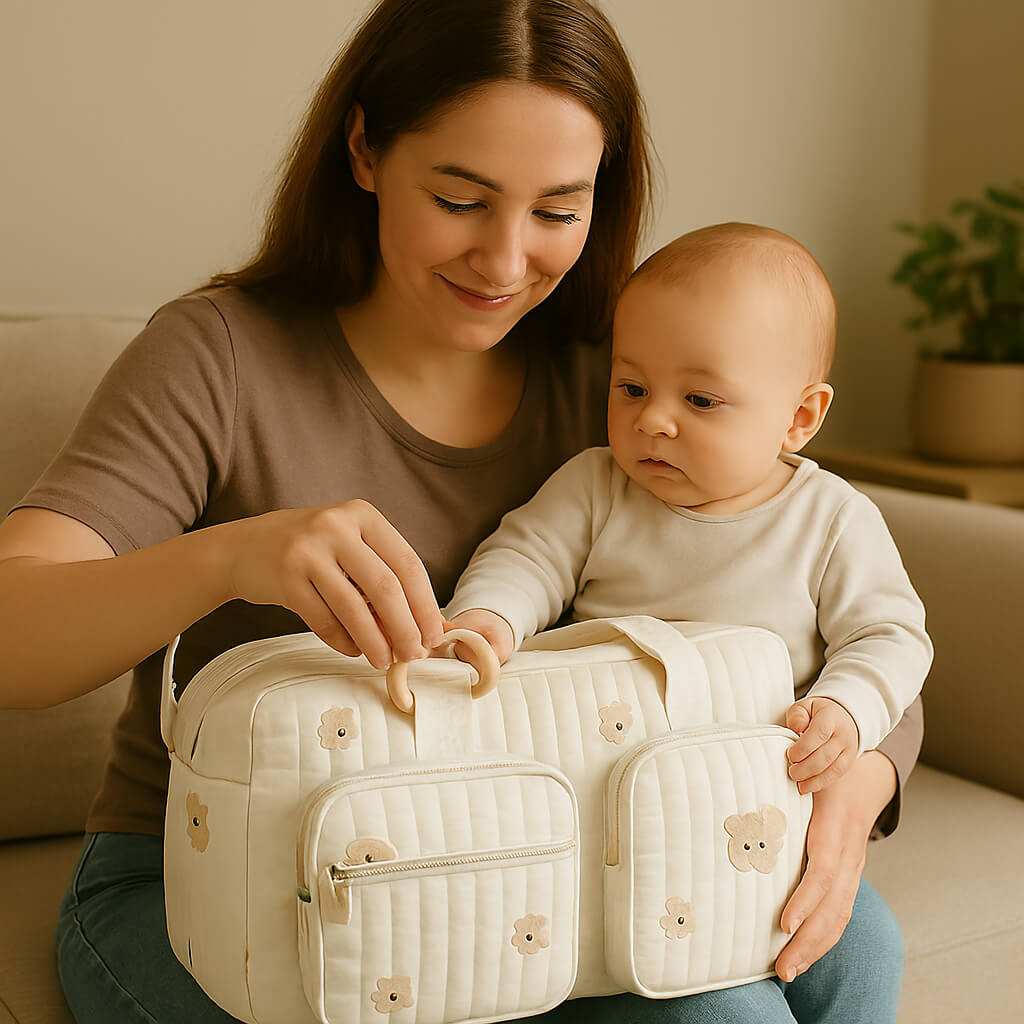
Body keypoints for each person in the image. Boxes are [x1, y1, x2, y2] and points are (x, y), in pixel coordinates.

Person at [0, 2, 918, 1022]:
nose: (505, 258)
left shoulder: (623, 384)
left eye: (558, 210)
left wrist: (859, 776)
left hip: (536, 870)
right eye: (459, 197)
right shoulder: (218, 356)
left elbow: (836, 607)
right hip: (207, 877)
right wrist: (233, 558)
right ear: (363, 150)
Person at [445, 222, 933, 795]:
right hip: (595, 767)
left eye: (700, 400)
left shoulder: (831, 520)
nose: (652, 420)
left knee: (843, 893)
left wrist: (846, 708)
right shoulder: (597, 486)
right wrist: (489, 618)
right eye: (631, 388)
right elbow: (525, 559)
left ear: (800, 418)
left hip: (752, 789)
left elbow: (889, 636)